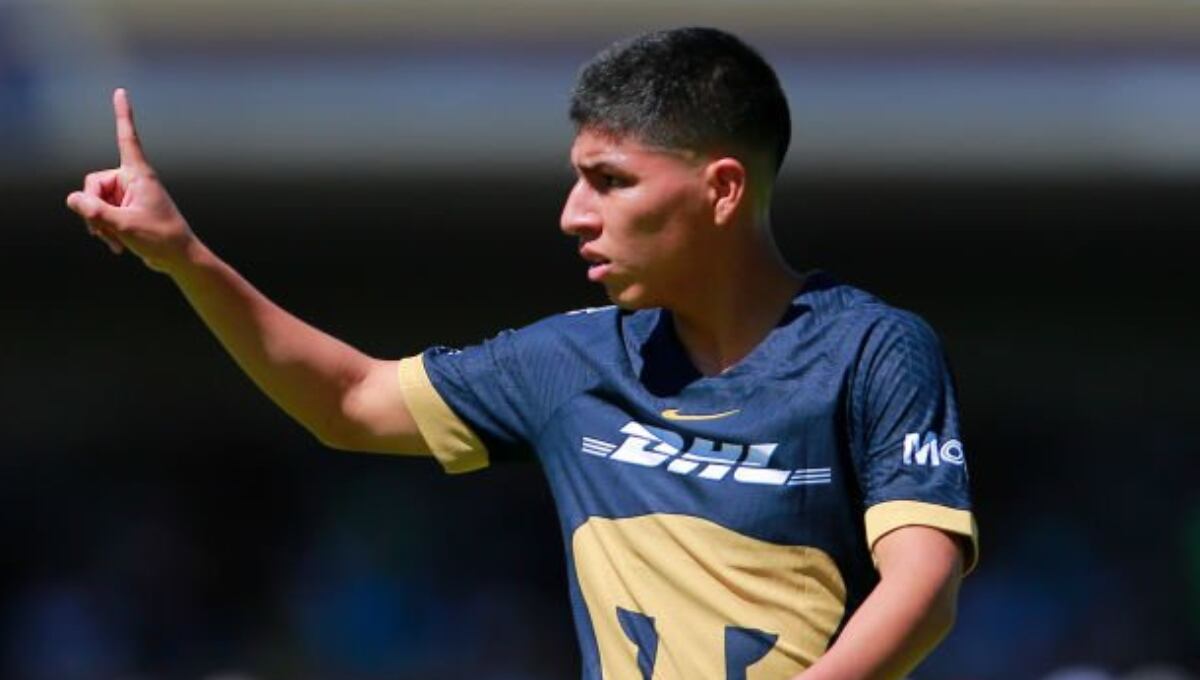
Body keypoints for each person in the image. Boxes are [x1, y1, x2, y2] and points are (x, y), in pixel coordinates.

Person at [66, 27, 977, 680]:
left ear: (723, 190)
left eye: (609, 182)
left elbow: (924, 581)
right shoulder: (569, 363)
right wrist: (185, 258)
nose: (573, 214)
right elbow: (347, 403)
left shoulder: (873, 347)